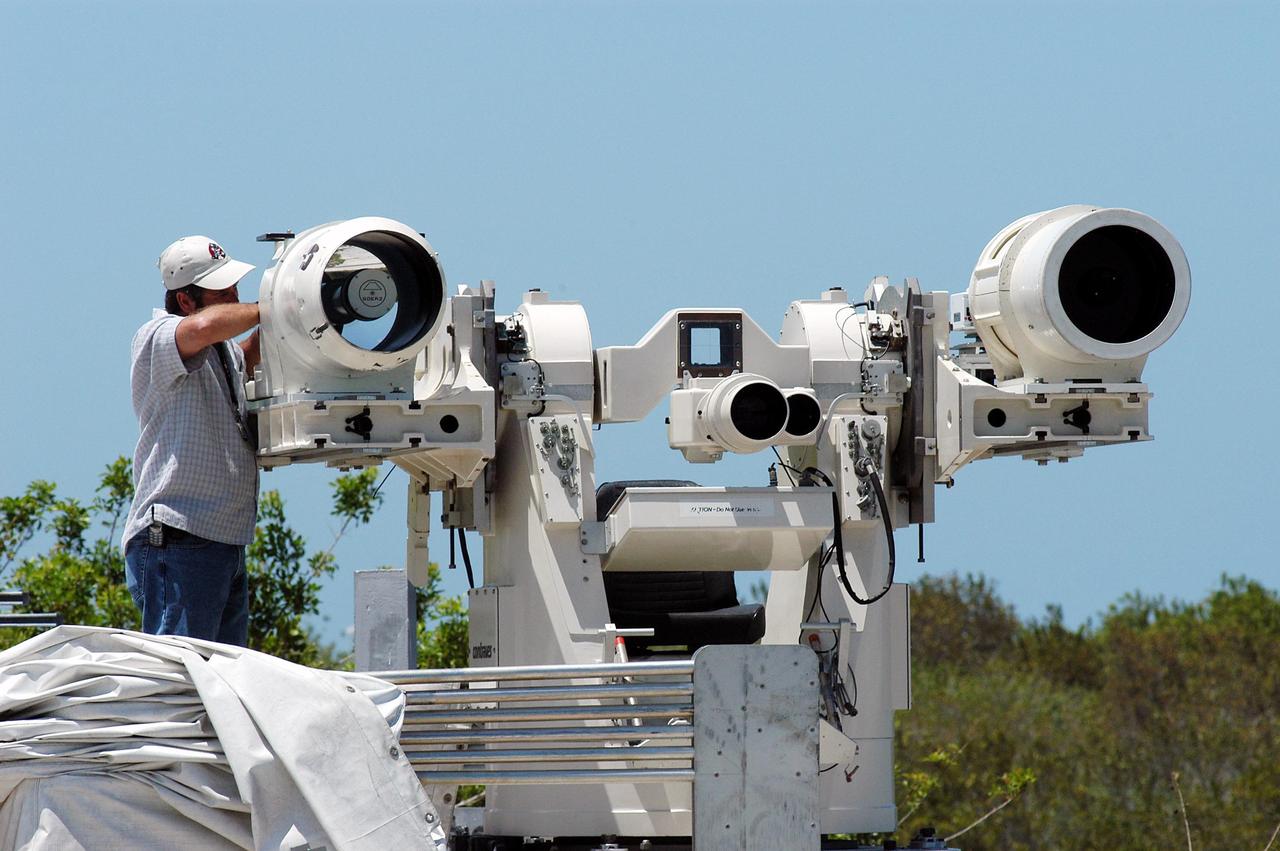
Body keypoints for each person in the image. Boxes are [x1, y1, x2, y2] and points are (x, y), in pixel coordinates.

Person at [121, 236, 262, 645]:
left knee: (220, 680)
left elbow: (247, 350)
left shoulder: (222, 354)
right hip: (180, 537)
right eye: (223, 292)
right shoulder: (157, 335)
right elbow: (203, 327)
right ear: (185, 300)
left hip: (220, 539)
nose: (236, 298)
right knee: (185, 676)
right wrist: (275, 309)